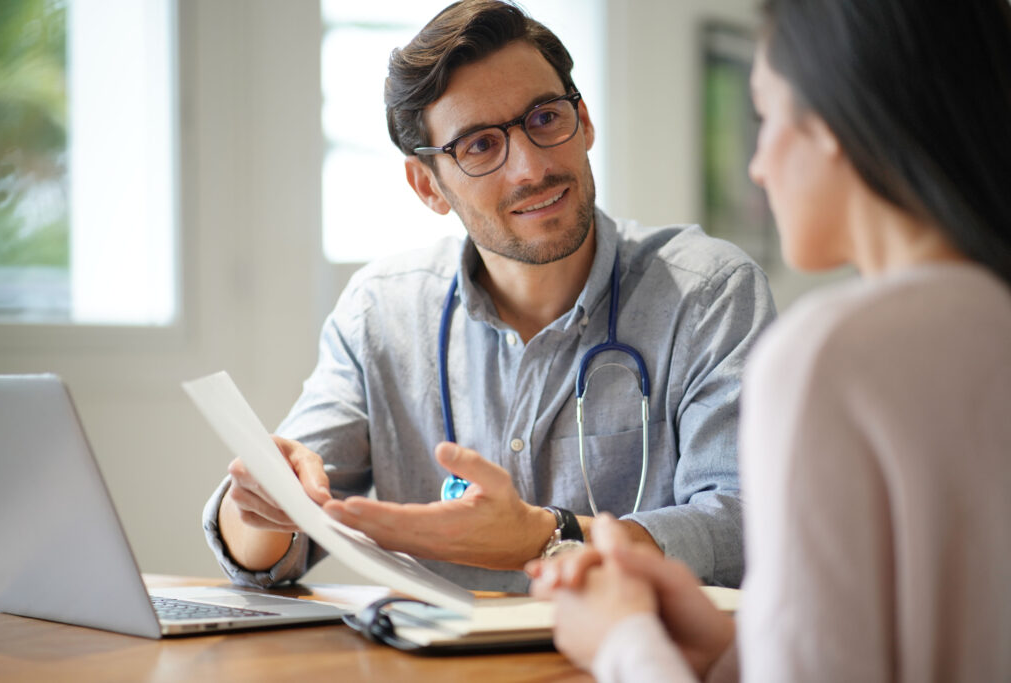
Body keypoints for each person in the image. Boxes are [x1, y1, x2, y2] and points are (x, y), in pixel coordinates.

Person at [202, 0, 775, 594]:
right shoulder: (382, 314)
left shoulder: (708, 295)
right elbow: (268, 544)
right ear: (428, 186)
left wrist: (545, 537)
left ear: (585, 120)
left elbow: (744, 524)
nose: (531, 167)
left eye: (546, 118)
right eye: (478, 146)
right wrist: (262, 505)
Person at [528, 0, 1011, 680]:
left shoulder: (832, 354)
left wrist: (621, 640)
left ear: (836, 121)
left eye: (767, 115)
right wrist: (730, 651)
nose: (758, 164)